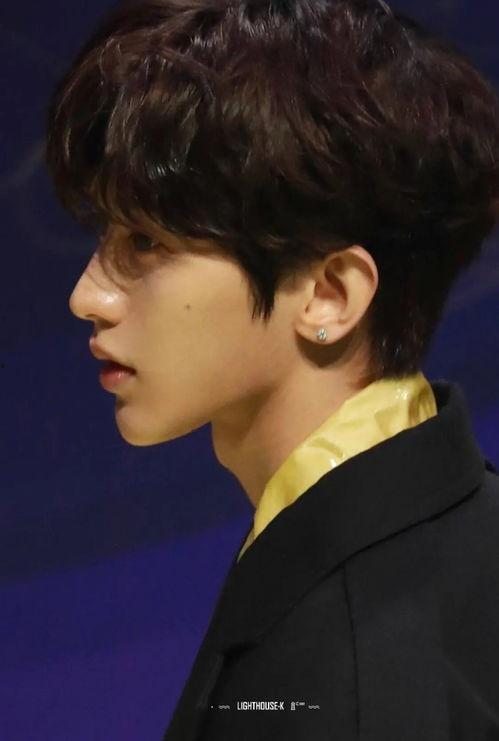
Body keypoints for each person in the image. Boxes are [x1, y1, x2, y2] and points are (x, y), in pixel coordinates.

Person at [44, 0, 499, 738]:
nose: (86, 296)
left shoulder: (342, 687)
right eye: (105, 235)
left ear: (330, 295)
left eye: (147, 243)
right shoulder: (446, 524)